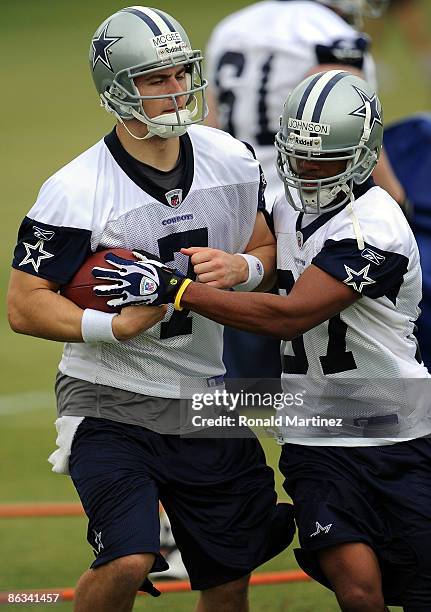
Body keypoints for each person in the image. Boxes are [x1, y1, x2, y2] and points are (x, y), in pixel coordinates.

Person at [7, 6, 294, 612]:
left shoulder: (234, 160)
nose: (175, 89)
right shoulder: (76, 188)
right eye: (154, 79)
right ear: (117, 89)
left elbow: (264, 245)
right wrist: (110, 326)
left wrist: (247, 269)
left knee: (228, 573)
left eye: (179, 72)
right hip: (108, 397)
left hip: (204, 393)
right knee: (129, 556)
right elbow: (25, 304)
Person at [119, 71, 431, 611]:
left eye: (327, 157)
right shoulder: (286, 209)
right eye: (300, 153)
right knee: (358, 590)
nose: (308, 168)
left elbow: (291, 316)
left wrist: (178, 291)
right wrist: (237, 266)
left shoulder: (376, 225)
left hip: (398, 429)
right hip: (316, 435)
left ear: (362, 153)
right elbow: (271, 271)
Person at [205, 0, 405, 382]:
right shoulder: (331, 34)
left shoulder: (232, 26)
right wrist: (395, 196)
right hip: (317, 201)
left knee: (244, 383)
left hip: (243, 207)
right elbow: (356, 127)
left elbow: (212, 129)